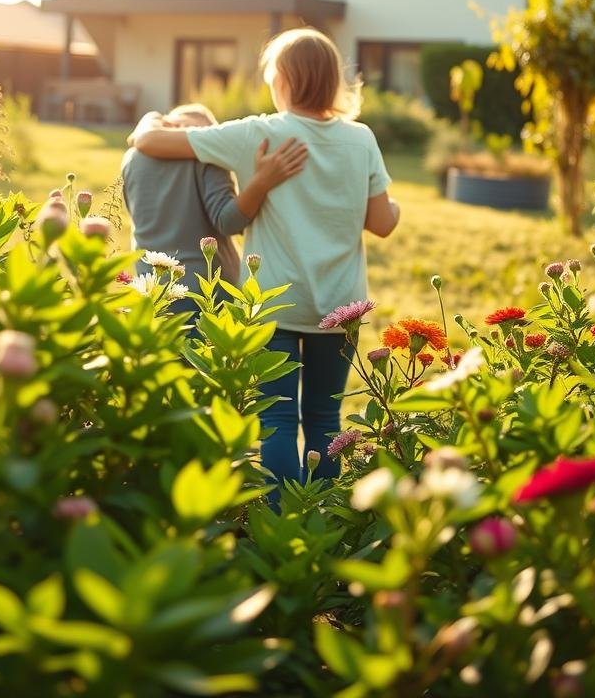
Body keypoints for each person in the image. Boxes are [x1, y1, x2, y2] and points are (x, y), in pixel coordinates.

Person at [132, 29, 400, 497]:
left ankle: (279, 519)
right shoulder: (362, 140)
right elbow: (381, 222)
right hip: (339, 310)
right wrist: (392, 205)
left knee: (275, 418)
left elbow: (153, 143)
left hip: (274, 305)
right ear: (334, 81)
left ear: (281, 80)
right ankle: (322, 515)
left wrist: (148, 123)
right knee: (324, 419)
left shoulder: (260, 133)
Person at [122, 103, 306, 309]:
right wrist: (260, 183)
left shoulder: (131, 160)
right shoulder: (204, 156)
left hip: (151, 288)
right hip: (206, 292)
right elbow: (228, 222)